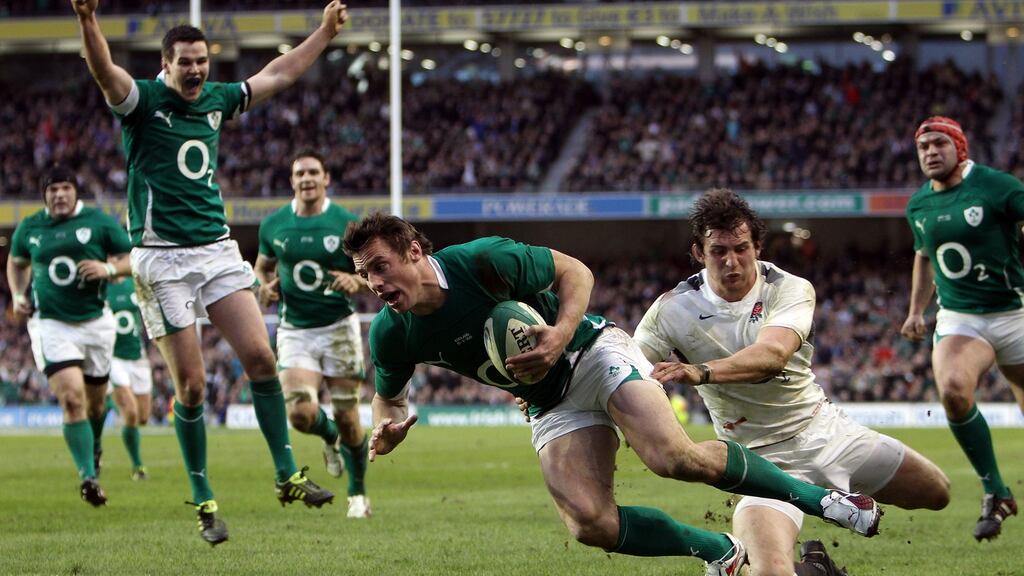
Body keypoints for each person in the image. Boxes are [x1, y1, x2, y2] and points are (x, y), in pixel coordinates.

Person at [343, 213, 882, 576]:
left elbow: (574, 270)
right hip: (549, 399)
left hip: (590, 351)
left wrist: (558, 334)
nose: (374, 282)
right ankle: (721, 553)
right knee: (588, 522)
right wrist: (386, 425)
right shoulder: (390, 332)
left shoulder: (480, 261)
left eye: (380, 266)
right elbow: (389, 397)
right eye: (364, 274)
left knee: (673, 457)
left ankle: (828, 500)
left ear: (413, 250)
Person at [72, 0, 347, 544]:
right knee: (192, 387)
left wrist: (323, 33)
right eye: (186, 62)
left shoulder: (218, 99)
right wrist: (88, 20)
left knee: (262, 359)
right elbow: (106, 72)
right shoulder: (143, 102)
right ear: (166, 64)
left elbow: (280, 72)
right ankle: (203, 500)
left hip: (217, 250)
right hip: (161, 258)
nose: (197, 70)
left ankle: (287, 474)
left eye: (202, 61)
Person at [635, 188, 950, 576]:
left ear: (758, 246)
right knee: (770, 573)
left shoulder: (789, 287)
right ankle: (813, 569)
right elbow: (627, 369)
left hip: (827, 431)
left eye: (741, 248)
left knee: (938, 492)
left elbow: (772, 356)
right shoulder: (671, 309)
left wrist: (700, 372)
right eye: (718, 251)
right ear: (699, 253)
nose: (731, 262)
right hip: (761, 459)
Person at [901, 116, 1024, 541]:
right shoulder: (918, 206)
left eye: (939, 144)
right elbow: (923, 255)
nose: (930, 152)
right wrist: (917, 310)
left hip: (1015, 311)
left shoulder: (997, 186)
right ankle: (995, 491)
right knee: (952, 389)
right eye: (923, 147)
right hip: (961, 316)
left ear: (960, 147)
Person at [254, 150, 371, 519]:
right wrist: (263, 287)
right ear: (292, 181)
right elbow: (262, 268)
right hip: (295, 330)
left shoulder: (347, 224)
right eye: (299, 173)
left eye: (313, 172)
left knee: (350, 417)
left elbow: (375, 275)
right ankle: (329, 436)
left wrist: (358, 280)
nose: (306, 178)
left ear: (326, 178)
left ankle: (358, 496)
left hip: (339, 328)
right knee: (301, 414)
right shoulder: (273, 225)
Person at [7, 165, 132, 507]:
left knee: (94, 404)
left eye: (65, 188)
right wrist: (18, 295)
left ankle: (93, 446)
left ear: (76, 192)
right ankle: (87, 477)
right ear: (44, 194)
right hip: (51, 324)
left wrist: (107, 268)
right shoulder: (30, 227)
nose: (59, 194)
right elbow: (16, 262)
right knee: (72, 399)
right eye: (52, 189)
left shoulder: (100, 222)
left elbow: (132, 259)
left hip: (96, 323)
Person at [106, 275, 152, 481]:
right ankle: (138, 465)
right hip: (112, 357)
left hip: (137, 356)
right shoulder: (100, 288)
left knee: (142, 417)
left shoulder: (134, 283)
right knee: (130, 413)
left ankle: (108, 402)